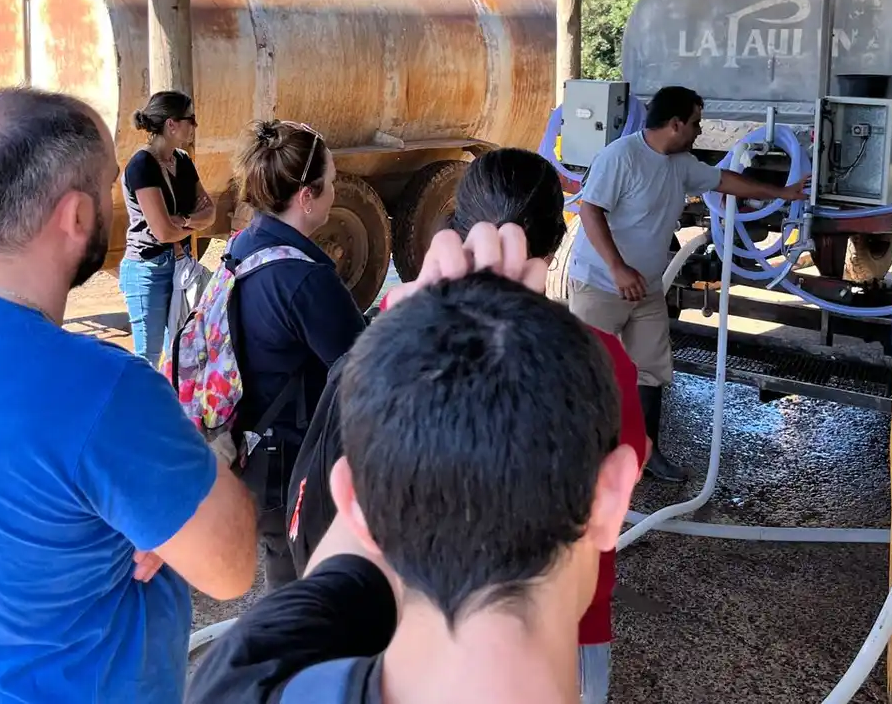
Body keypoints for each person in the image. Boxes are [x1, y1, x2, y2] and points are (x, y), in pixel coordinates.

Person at [0, 88, 255, 704]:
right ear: (77, 216)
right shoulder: (107, 390)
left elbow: (2, 494)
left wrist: (134, 509)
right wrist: (190, 473)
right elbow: (231, 564)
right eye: (109, 183)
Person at [187, 224, 642, 704]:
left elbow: (338, 565)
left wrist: (402, 347)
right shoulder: (245, 671)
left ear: (352, 503)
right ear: (613, 497)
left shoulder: (237, 686)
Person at [282, 148, 647, 704]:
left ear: (356, 503)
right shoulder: (605, 360)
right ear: (611, 494)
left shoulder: (387, 352)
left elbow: (263, 655)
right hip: (576, 631)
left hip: (395, 622)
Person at [569, 85, 808, 483]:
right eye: (696, 123)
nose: (700, 130)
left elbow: (725, 181)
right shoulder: (621, 157)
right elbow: (590, 211)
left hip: (644, 287)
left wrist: (782, 193)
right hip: (601, 284)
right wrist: (617, 268)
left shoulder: (680, 163)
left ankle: (646, 456)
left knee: (649, 370)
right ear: (675, 124)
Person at [227, 120, 366, 591]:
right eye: (330, 182)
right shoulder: (305, 280)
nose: (335, 190)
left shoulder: (244, 247)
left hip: (252, 453)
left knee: (283, 583)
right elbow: (363, 369)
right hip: (296, 469)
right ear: (307, 196)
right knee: (313, 598)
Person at [120, 91, 216, 367]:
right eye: (190, 119)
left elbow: (210, 213)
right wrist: (191, 221)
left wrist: (182, 220)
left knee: (180, 352)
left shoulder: (183, 161)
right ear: (171, 124)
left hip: (178, 267)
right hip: (147, 270)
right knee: (147, 358)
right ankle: (141, 409)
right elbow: (162, 232)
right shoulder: (141, 165)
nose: (194, 126)